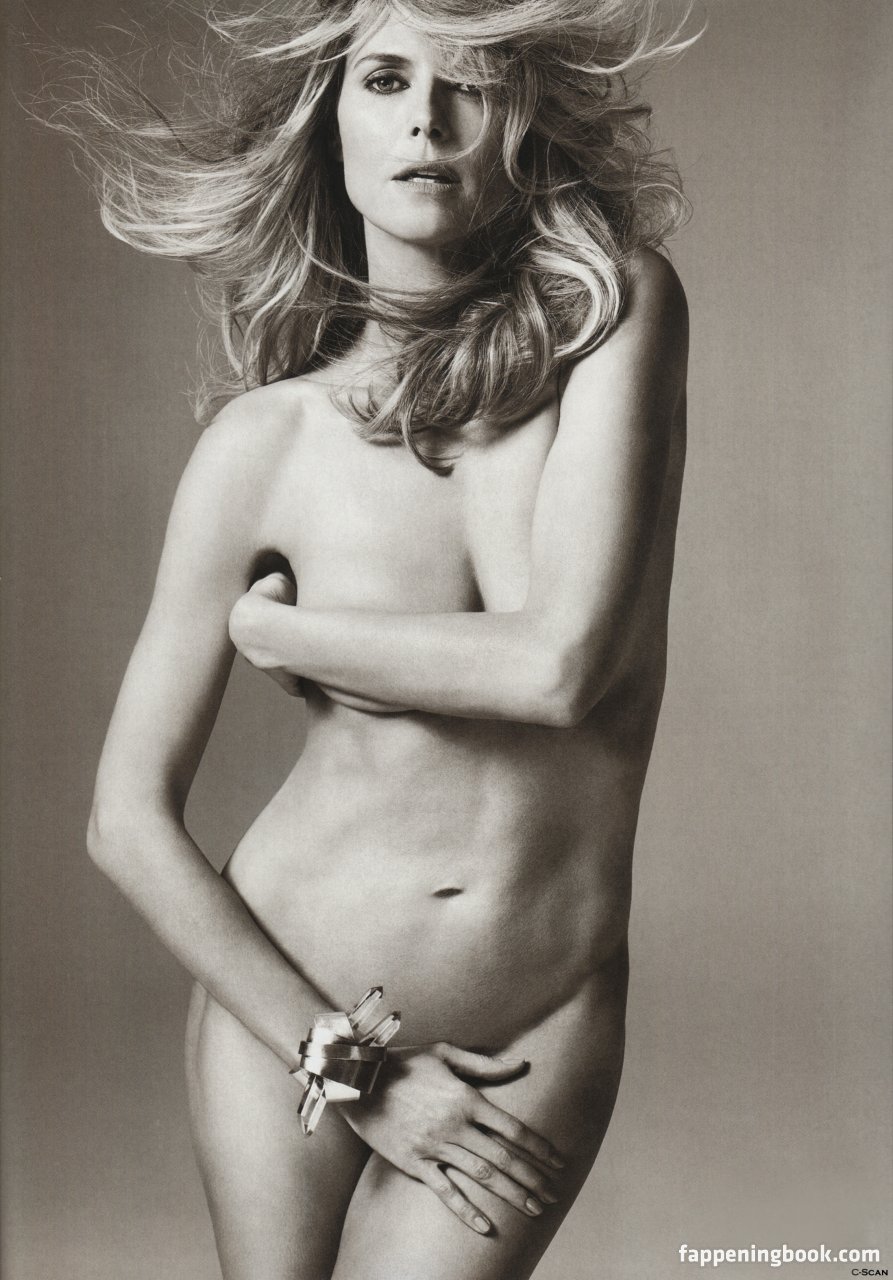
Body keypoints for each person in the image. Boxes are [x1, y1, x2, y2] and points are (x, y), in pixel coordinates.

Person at [79, 1, 693, 1276]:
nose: (427, 118)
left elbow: (559, 669)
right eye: (385, 80)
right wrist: (345, 1060)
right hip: (294, 1006)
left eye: (472, 82)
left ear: (520, 118)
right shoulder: (263, 443)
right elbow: (125, 818)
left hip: (536, 1015)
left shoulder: (611, 311)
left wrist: (284, 631)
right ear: (330, 124)